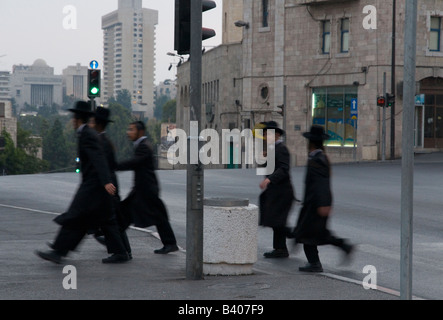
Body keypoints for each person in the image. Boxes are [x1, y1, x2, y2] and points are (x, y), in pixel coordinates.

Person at [35, 101, 129, 264]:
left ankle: (59, 250)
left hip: (93, 186)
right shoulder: (88, 134)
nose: (72, 121)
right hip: (96, 186)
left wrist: (106, 181)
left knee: (75, 215)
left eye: (73, 118)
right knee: (100, 220)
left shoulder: (87, 135)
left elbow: (98, 159)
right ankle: (120, 252)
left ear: (77, 119)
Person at [292, 125, 354, 272]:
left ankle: (314, 263)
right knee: (319, 234)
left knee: (308, 235)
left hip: (316, 204)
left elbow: (322, 185)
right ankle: (344, 246)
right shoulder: (319, 158)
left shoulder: (317, 160)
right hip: (314, 203)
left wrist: (323, 204)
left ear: (311, 143)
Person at [117, 121, 178, 254]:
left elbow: (134, 162)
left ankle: (114, 238)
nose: (129, 132)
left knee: (156, 216)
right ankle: (114, 237)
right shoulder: (142, 145)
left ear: (140, 132)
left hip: (147, 189)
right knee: (127, 212)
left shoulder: (144, 146)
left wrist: (116, 166)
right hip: (143, 188)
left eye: (132, 130)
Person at [88, 107, 132, 260]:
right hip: (111, 184)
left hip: (107, 186)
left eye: (92, 121)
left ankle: (120, 253)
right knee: (115, 220)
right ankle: (125, 250)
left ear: (98, 124)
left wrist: (104, 183)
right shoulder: (105, 141)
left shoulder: (99, 142)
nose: (90, 124)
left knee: (110, 220)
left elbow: (102, 166)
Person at [259, 121, 295, 258]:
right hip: (276, 192)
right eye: (264, 133)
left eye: (268, 133)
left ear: (277, 135)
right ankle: (280, 249)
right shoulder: (272, 150)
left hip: (283, 192)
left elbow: (284, 169)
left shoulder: (282, 149)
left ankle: (297, 235)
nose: (265, 135)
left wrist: (269, 179)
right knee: (276, 220)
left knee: (277, 221)